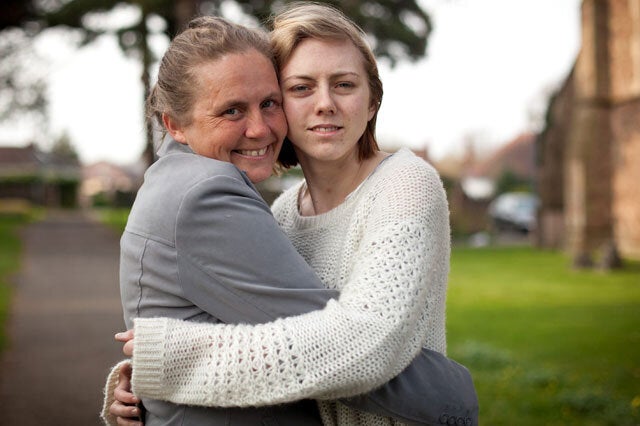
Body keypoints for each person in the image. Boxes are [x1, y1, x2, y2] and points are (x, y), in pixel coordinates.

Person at [103, 3, 477, 426]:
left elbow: (370, 345)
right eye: (300, 89)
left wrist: (169, 364)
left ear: (372, 102)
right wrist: (145, 384)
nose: (325, 104)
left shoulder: (405, 185)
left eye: (345, 84)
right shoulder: (283, 212)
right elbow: (279, 339)